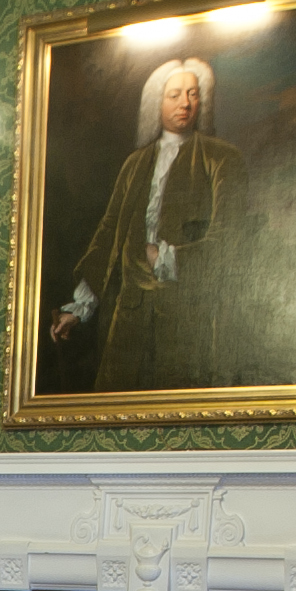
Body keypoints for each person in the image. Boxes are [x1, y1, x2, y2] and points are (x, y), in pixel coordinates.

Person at [51, 56, 243, 394]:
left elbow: (231, 237)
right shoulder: (135, 164)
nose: (185, 103)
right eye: (174, 95)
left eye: (193, 94)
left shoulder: (221, 158)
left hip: (188, 317)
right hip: (129, 315)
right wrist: (80, 309)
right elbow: (109, 234)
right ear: (157, 102)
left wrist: (169, 259)